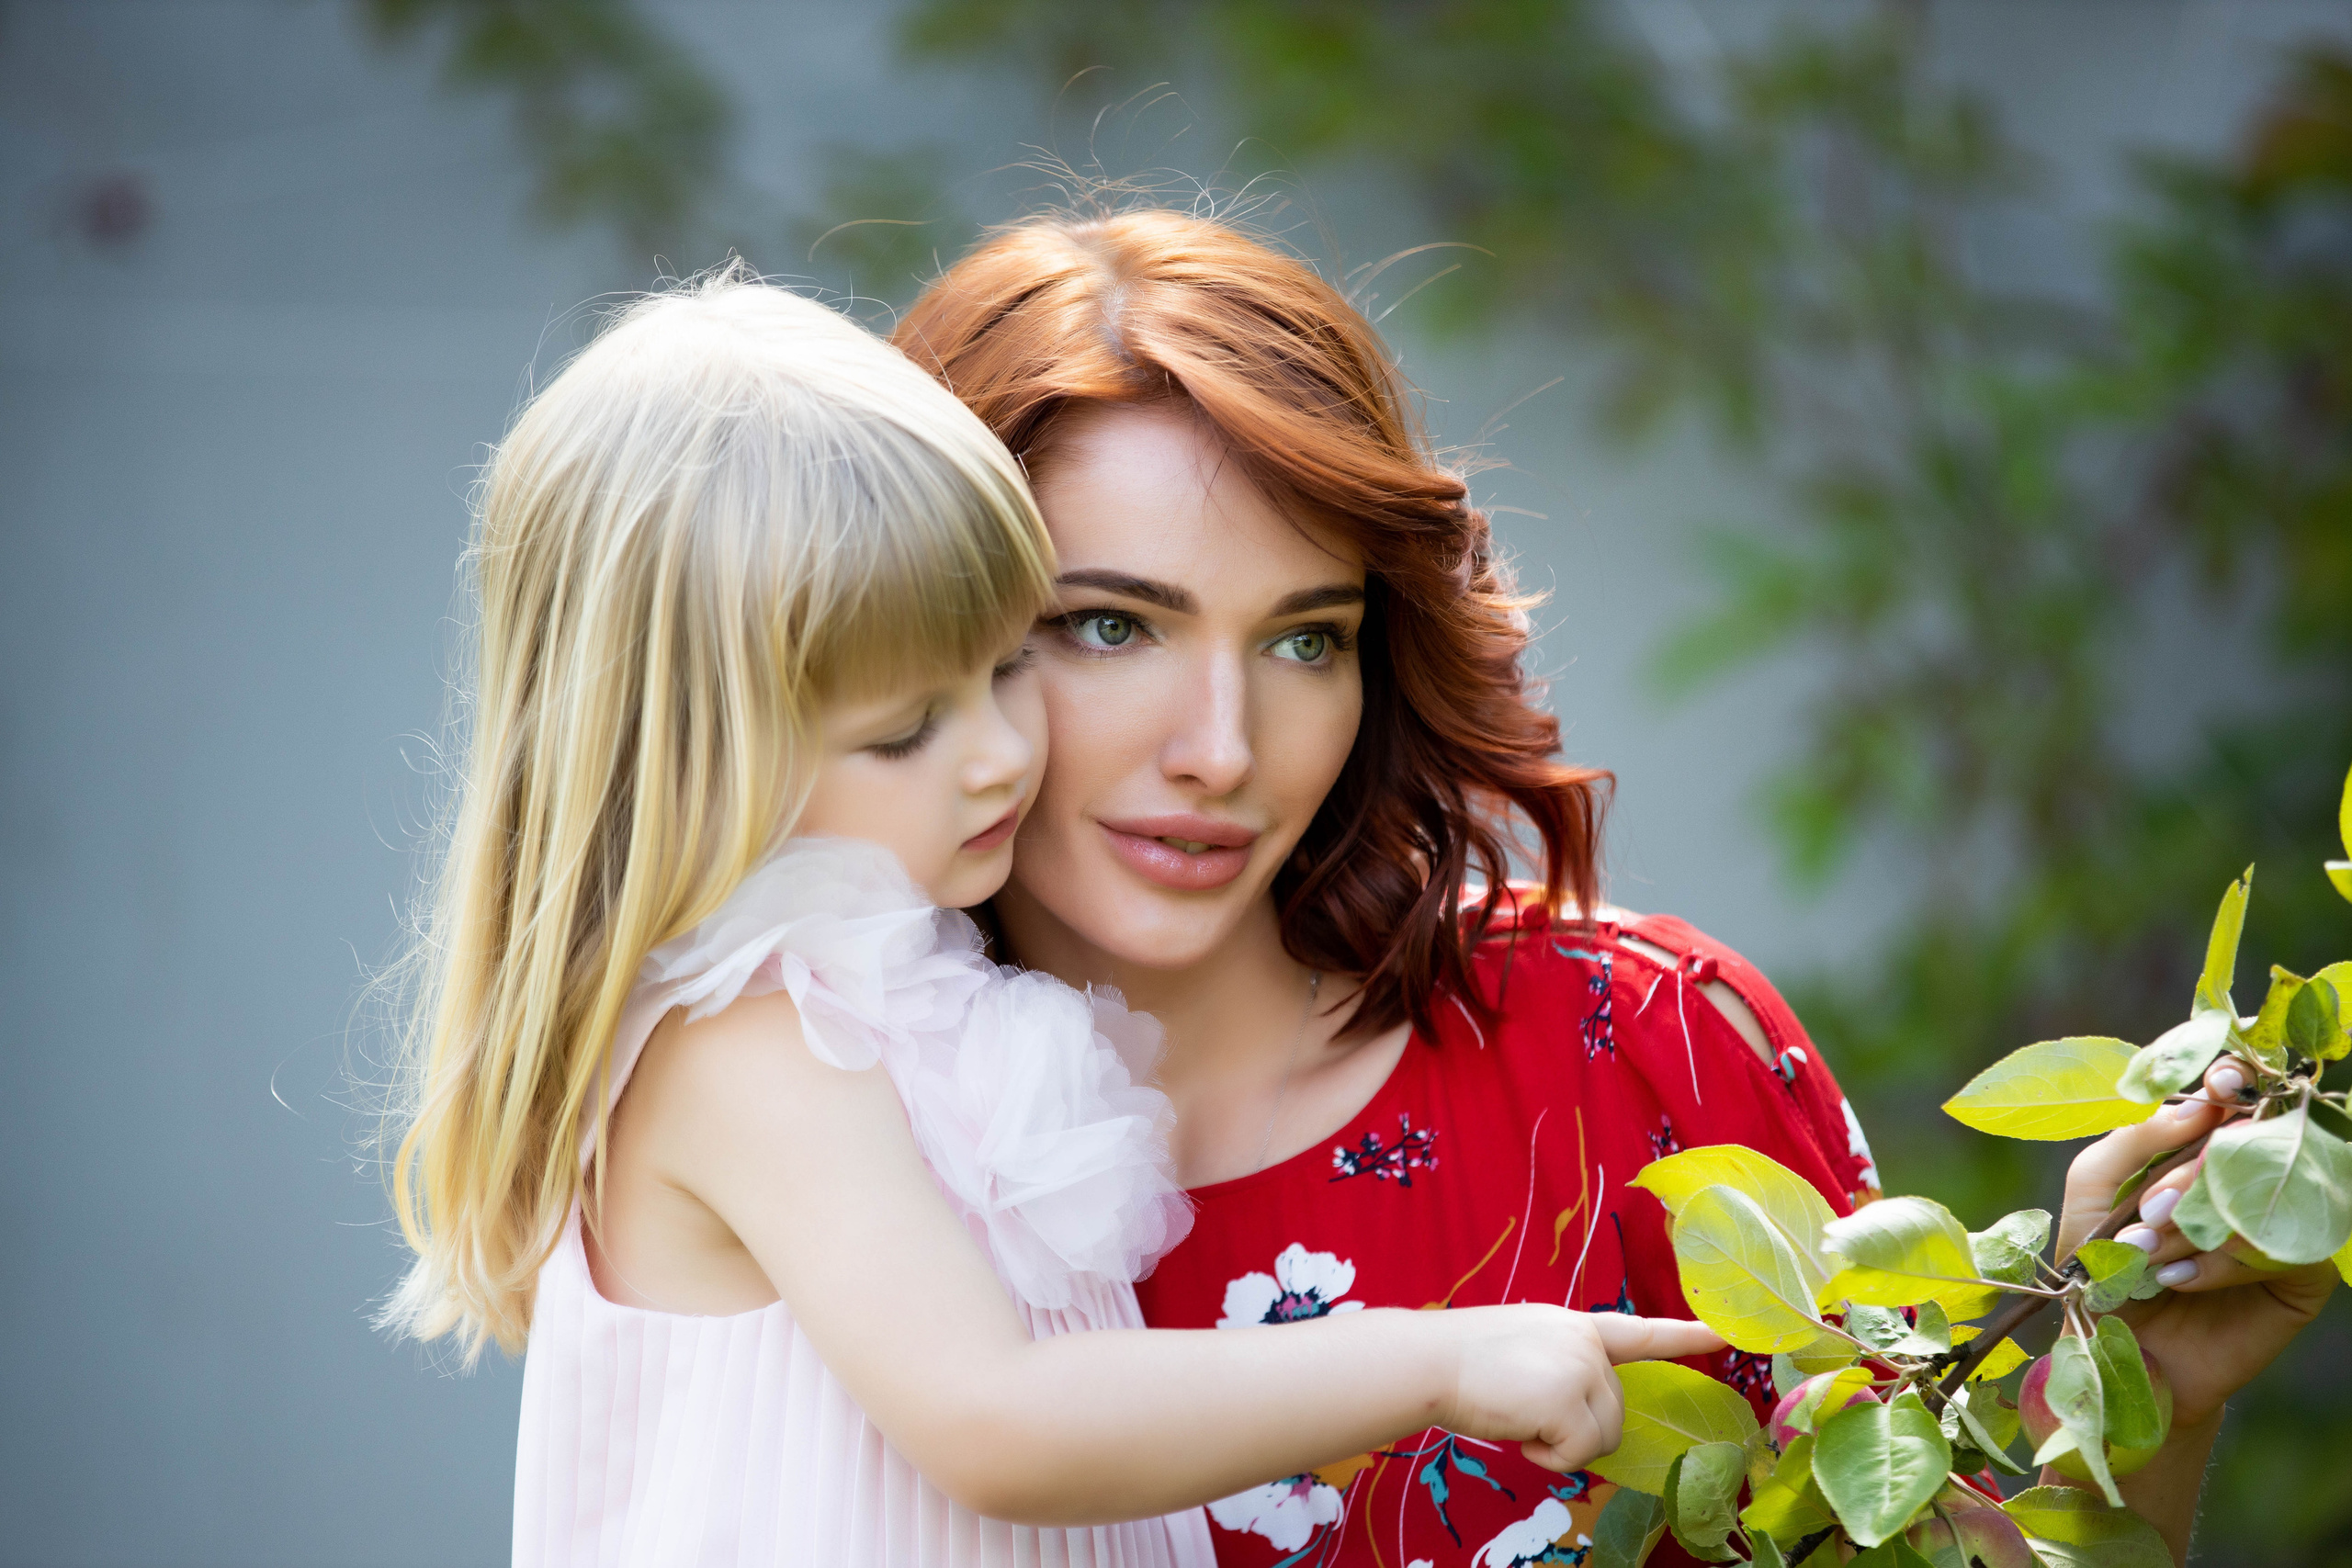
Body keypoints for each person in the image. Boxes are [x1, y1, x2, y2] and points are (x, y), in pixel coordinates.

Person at [893, 208, 2336, 1567]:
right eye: (1109, 625)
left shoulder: (1635, 1052)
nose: (1220, 749)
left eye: (1304, 639)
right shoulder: (809, 1140)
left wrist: (2141, 1400)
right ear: (891, 631)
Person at [380, 271, 1724, 1568]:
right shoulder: (751, 1047)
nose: (999, 756)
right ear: (692, 757)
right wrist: (1437, 1361)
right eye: (906, 728)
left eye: (1003, 669)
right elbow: (998, 1422)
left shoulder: (906, 1004)